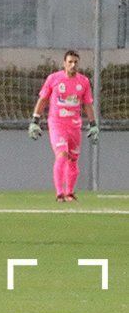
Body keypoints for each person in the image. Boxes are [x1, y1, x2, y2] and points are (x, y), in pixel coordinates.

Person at [28, 50, 98, 201]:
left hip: (74, 126)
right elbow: (43, 100)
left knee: (73, 159)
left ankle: (70, 193)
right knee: (62, 155)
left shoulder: (83, 82)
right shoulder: (54, 79)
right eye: (70, 62)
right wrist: (35, 121)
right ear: (64, 63)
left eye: (75, 62)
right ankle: (59, 193)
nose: (73, 65)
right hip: (57, 124)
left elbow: (87, 104)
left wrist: (93, 125)